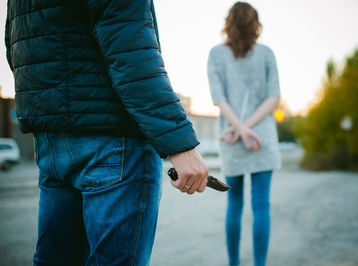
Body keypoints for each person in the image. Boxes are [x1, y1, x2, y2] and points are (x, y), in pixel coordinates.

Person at [5, 0, 208, 265]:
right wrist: (180, 143)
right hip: (113, 143)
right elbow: (131, 52)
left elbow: (17, 46)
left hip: (53, 142)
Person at [207, 2, 281, 266]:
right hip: (262, 139)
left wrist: (239, 128)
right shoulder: (266, 53)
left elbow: (219, 99)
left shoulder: (216, 54)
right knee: (261, 206)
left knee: (234, 206)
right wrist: (248, 128)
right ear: (255, 24)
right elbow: (274, 98)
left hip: (231, 137)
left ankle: (234, 264)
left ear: (229, 23)